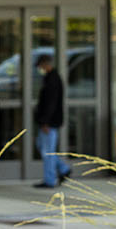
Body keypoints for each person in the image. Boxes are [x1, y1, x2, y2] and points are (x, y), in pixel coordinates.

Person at [33, 53, 72, 188]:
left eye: (40, 66)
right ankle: (63, 169)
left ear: (45, 64)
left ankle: (50, 180)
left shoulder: (52, 80)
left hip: (49, 122)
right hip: (48, 121)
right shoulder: (50, 78)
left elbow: (51, 103)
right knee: (42, 146)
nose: (40, 68)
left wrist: (45, 121)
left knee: (47, 151)